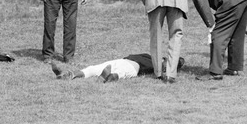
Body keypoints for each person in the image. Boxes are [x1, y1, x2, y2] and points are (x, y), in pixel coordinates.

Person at [52, 54, 186, 82]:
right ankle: (109, 77)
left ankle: (73, 74)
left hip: (124, 60)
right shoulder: (154, 60)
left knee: (94, 68)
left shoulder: (152, 58)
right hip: (132, 65)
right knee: (121, 73)